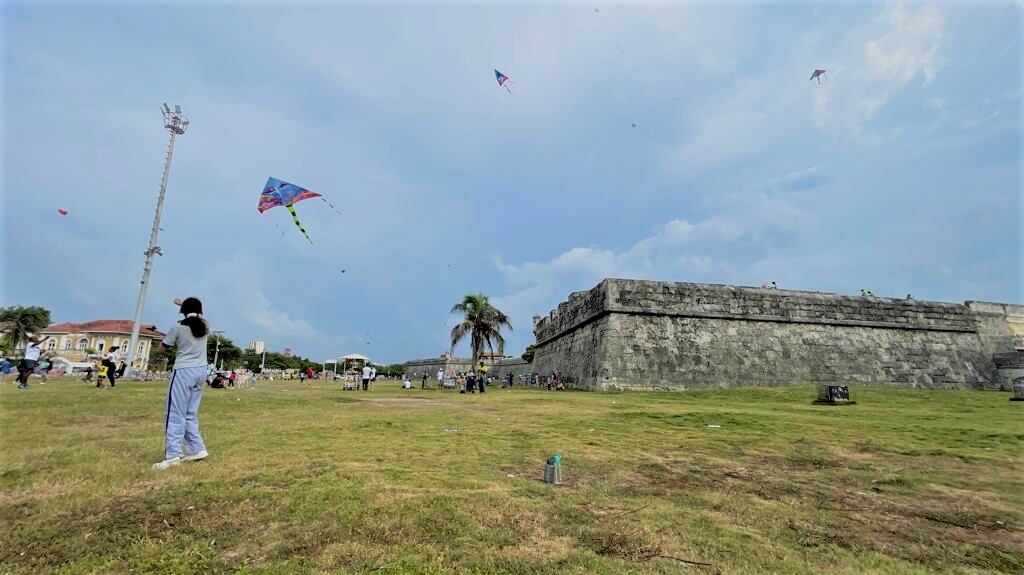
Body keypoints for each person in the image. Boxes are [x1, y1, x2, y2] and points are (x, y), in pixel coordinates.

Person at [153, 297, 211, 470]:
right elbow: (199, 317)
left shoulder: (177, 327)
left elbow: (163, 348)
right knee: (190, 413)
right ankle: (197, 448)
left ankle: (172, 456)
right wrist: (185, 305)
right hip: (201, 371)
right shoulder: (205, 325)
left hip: (184, 370)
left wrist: (158, 350)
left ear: (183, 311)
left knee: (174, 413)